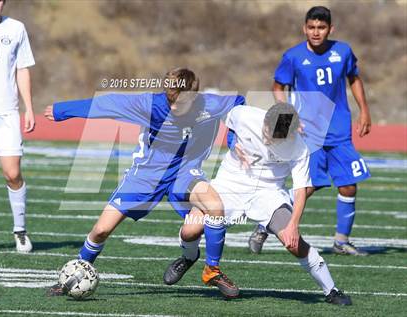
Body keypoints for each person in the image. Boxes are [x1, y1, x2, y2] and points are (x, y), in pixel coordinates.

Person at [44, 68, 244, 298]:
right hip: (147, 175)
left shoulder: (209, 104)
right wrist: (62, 110)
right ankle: (73, 275)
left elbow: (239, 103)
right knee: (101, 230)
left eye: (180, 102)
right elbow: (109, 103)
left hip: (185, 172)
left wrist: (233, 139)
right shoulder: (151, 104)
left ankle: (211, 270)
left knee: (205, 217)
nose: (175, 107)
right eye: (171, 101)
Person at [164, 103, 352, 305]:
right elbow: (224, 117)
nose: (270, 140)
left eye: (278, 138)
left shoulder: (299, 148)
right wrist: (231, 140)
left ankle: (331, 290)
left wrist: (293, 226)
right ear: (264, 121)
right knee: (189, 231)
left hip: (268, 194)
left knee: (294, 243)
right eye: (268, 133)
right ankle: (189, 257)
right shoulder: (244, 115)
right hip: (229, 184)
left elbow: (300, 191)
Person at [248, 6, 371, 256]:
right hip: (309, 131)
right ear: (305, 28)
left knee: (348, 185)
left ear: (330, 29)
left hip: (339, 130)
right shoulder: (293, 56)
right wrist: (288, 115)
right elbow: (278, 86)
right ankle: (264, 224)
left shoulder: (343, 51)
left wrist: (364, 110)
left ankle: (341, 241)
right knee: (308, 187)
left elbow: (354, 79)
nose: (316, 32)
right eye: (312, 27)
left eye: (322, 28)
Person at [0, 0, 35, 252]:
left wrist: (28, 107)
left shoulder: (16, 28)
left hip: (6, 112)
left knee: (13, 174)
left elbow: (23, 69)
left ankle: (20, 230)